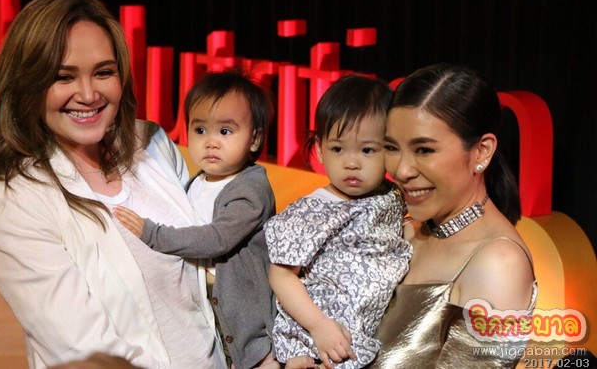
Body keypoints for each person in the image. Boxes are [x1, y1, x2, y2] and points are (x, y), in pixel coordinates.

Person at [0, 0, 225, 369]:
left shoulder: (152, 143)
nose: (88, 95)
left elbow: (210, 278)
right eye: (63, 77)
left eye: (103, 72)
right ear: (27, 84)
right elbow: (87, 351)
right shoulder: (11, 201)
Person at [366, 63, 537, 368]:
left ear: (482, 151)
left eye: (424, 150)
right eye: (391, 147)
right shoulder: (403, 229)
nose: (401, 170)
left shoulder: (499, 265)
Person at [114, 69, 278, 369]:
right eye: (200, 130)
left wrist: (153, 234)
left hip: (256, 337)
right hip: (217, 329)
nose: (211, 142)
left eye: (225, 132)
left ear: (254, 139)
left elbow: (216, 239)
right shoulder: (195, 183)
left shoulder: (251, 190)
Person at [264, 75, 413, 369]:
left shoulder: (391, 195)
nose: (351, 163)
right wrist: (318, 326)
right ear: (320, 149)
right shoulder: (311, 211)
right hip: (318, 335)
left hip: (364, 334)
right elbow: (281, 276)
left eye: (367, 150)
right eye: (337, 149)